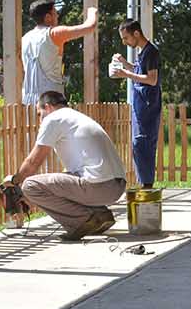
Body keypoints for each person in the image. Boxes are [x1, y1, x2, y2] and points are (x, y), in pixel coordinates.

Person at [10, 91, 127, 240]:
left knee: (30, 185)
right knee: (62, 180)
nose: (40, 120)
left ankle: (81, 220)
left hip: (98, 186)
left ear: (48, 107)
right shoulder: (76, 117)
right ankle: (101, 214)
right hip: (117, 187)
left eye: (39, 114)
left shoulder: (53, 118)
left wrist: (15, 181)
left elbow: (33, 162)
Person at [113, 18, 161, 189]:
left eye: (126, 38)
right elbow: (139, 71)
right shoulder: (143, 53)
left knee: (142, 145)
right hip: (140, 106)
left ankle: (147, 186)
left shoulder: (151, 52)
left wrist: (125, 74)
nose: (125, 42)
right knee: (138, 145)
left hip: (148, 107)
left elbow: (152, 79)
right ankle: (144, 184)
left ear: (136, 33)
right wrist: (125, 64)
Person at [22, 0, 97, 105]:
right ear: (48, 17)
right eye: (55, 13)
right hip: (51, 99)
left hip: (28, 99)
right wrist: (92, 12)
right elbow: (90, 27)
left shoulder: (25, 38)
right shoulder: (53, 33)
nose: (57, 16)